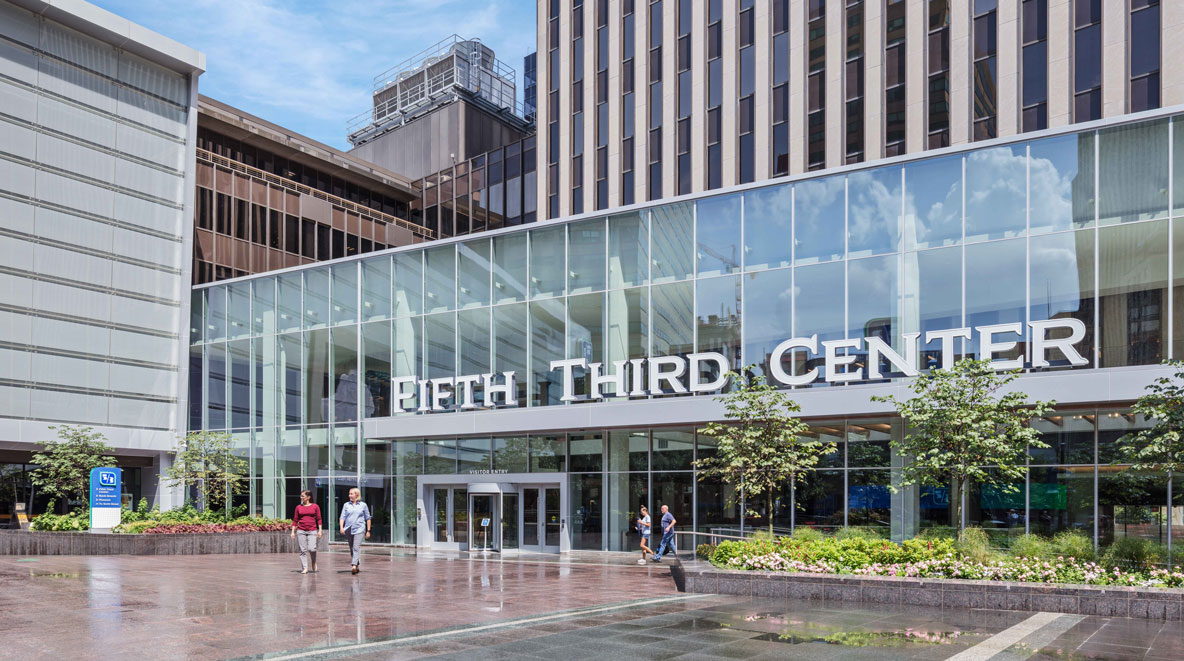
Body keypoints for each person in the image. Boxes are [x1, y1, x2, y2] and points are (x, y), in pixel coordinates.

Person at [338, 487, 371, 575]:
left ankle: (353, 565)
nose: (349, 495)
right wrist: (341, 527)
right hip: (348, 529)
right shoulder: (346, 505)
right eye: (349, 494)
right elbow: (342, 517)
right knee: (352, 548)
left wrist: (368, 530)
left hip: (360, 529)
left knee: (356, 547)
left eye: (351, 494)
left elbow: (368, 518)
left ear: (356, 494)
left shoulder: (363, 505)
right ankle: (357, 565)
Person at [290, 490, 322, 574]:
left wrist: (320, 531)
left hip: (312, 530)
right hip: (301, 530)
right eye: (301, 496)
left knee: (312, 548)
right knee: (303, 550)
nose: (301, 497)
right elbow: (295, 520)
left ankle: (313, 562)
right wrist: (293, 532)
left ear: (308, 497)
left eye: (303, 496)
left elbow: (319, 519)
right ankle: (305, 568)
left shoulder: (315, 506)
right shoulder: (298, 507)